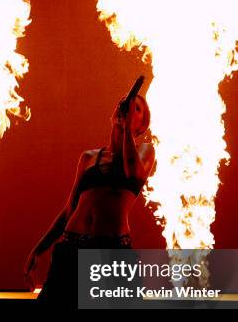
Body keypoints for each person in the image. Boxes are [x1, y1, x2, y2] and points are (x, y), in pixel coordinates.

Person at [24, 94, 155, 307]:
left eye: (137, 109)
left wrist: (127, 126)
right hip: (71, 248)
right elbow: (69, 210)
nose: (128, 107)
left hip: (111, 251)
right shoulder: (89, 157)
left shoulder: (144, 152)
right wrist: (40, 248)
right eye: (125, 104)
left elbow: (132, 173)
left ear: (141, 127)